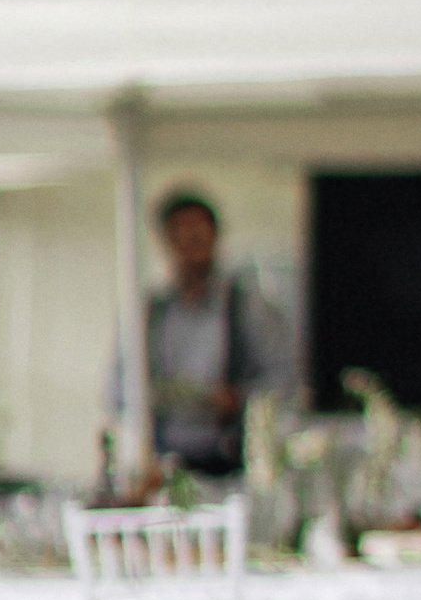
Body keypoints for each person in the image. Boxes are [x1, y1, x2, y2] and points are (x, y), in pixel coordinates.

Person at [122, 189, 295, 483]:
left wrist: (239, 399)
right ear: (166, 241)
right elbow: (116, 390)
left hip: (232, 465)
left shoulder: (248, 307)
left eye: (199, 235)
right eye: (181, 236)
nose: (191, 246)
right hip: (165, 463)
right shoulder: (149, 311)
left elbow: (284, 380)